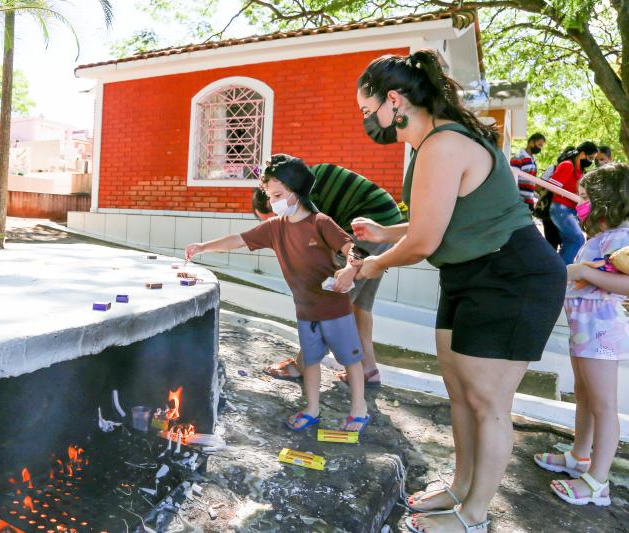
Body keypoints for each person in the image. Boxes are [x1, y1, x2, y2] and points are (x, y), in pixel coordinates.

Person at [351, 49, 566, 533]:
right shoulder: (430, 144)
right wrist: (385, 235)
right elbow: (440, 217)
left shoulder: (444, 144)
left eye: (368, 112)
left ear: (393, 100)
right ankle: (460, 488)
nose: (367, 122)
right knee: (460, 392)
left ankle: (473, 515)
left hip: (512, 276)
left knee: (487, 401)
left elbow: (425, 241)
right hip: (467, 275)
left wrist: (373, 265)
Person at [186, 154, 371, 434]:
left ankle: (360, 409)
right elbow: (239, 239)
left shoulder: (321, 223)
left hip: (335, 308)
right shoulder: (275, 228)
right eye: (270, 196)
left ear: (296, 193)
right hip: (306, 310)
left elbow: (354, 249)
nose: (273, 202)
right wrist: (203, 246)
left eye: (278, 195)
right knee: (310, 361)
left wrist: (349, 269)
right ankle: (312, 408)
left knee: (350, 359)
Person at [252, 164, 403, 386]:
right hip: (386, 226)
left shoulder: (302, 193)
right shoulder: (301, 181)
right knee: (359, 304)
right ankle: (368, 370)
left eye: (273, 211)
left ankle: (302, 365)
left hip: (367, 228)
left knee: (329, 299)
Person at [534, 163, 629, 507]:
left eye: (586, 198)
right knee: (584, 394)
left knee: (603, 405)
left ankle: (597, 483)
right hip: (584, 329)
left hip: (601, 331)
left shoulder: (624, 239)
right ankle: (579, 456)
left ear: (607, 201)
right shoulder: (602, 239)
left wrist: (581, 271)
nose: (579, 203)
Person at [550, 142, 598, 264]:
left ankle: (558, 270)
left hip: (571, 210)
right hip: (561, 209)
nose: (591, 161)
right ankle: (562, 271)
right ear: (582, 154)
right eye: (591, 157)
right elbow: (552, 186)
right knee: (577, 239)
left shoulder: (580, 171)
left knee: (570, 242)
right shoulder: (567, 165)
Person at [536, 146, 575, 252]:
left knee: (551, 243)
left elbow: (538, 187)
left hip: (551, 211)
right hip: (564, 212)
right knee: (565, 244)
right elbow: (538, 187)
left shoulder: (553, 168)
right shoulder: (576, 173)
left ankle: (552, 265)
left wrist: (545, 193)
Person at [510, 132, 546, 210]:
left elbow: (531, 181)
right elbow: (511, 180)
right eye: (539, 145)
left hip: (529, 201)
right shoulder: (519, 157)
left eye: (541, 146)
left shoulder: (533, 160)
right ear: (531, 143)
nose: (540, 148)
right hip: (518, 202)